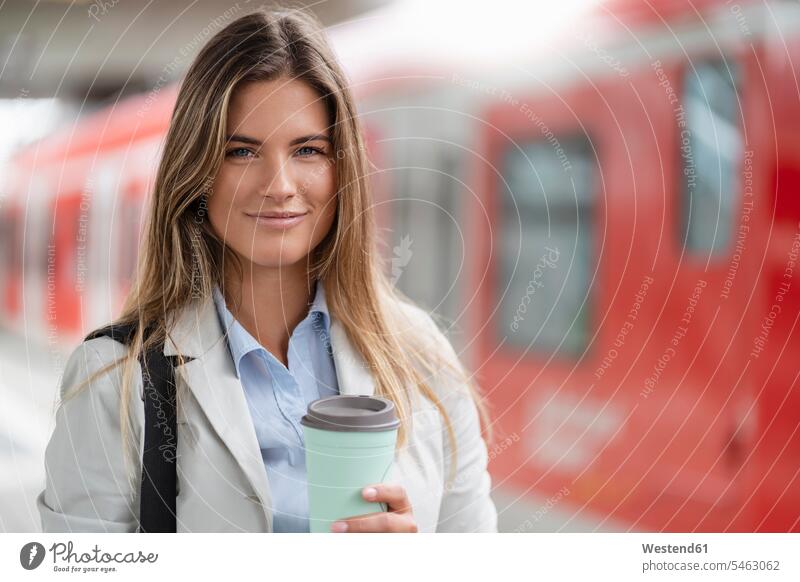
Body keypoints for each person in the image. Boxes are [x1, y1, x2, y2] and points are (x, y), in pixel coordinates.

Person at [37, 7, 497, 533]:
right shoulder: (111, 381)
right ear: (197, 171)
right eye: (241, 152)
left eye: (307, 149)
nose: (279, 184)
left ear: (341, 166)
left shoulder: (423, 358)